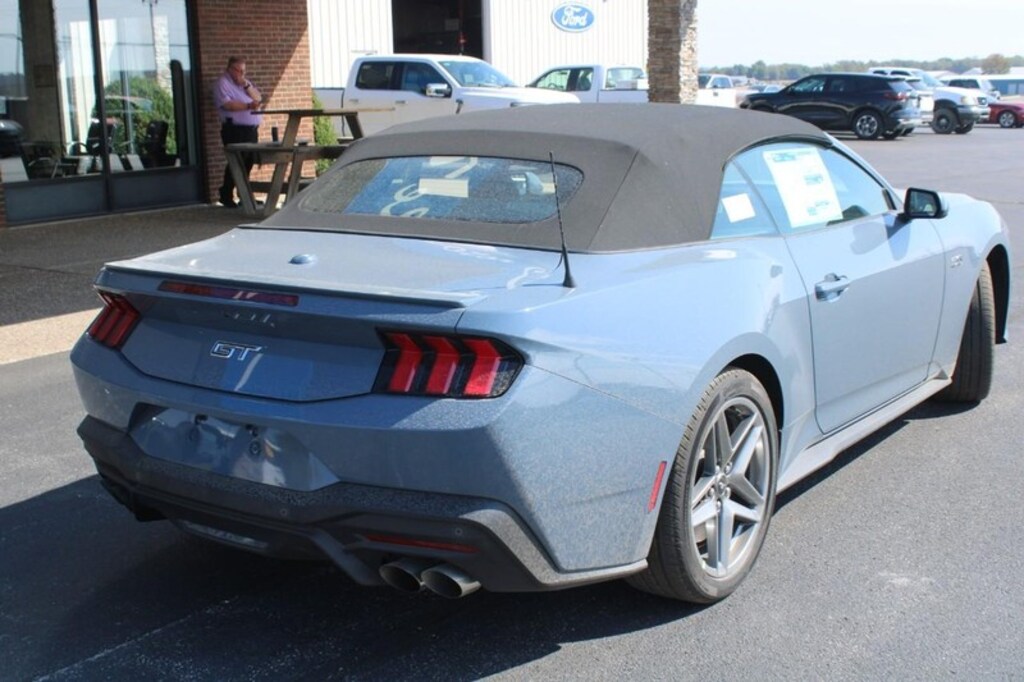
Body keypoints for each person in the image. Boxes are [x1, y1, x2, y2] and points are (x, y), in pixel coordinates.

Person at [213, 56, 263, 207]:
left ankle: (244, 195)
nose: (241, 74)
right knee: (236, 162)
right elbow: (228, 105)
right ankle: (226, 194)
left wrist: (246, 86)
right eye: (239, 70)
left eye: (244, 71)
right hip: (235, 129)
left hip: (250, 129)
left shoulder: (244, 84)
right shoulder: (222, 84)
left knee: (248, 162)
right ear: (230, 69)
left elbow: (258, 98)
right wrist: (249, 107)